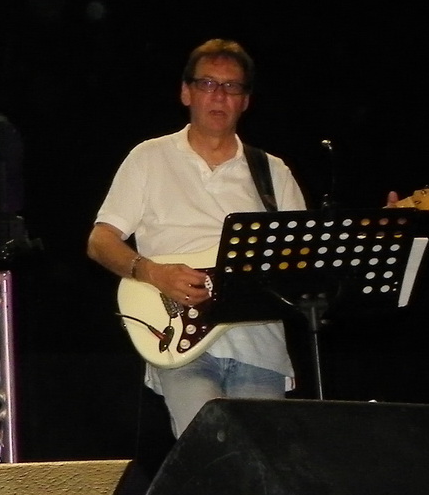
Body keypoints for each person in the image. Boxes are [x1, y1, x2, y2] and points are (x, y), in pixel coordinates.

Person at [86, 39, 304, 438]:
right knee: (210, 453)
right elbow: (100, 241)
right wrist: (153, 272)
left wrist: (375, 229)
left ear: (245, 101)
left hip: (261, 345)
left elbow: (303, 254)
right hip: (180, 339)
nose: (219, 95)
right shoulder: (149, 158)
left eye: (231, 86)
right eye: (207, 84)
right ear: (186, 93)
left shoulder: (273, 172)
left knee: (260, 465)